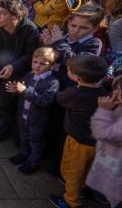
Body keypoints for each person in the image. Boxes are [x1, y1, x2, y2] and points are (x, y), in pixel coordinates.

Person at [49, 55, 108, 208]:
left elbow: (59, 98)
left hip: (78, 141)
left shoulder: (75, 93)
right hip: (97, 143)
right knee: (86, 168)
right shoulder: (103, 92)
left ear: (77, 77)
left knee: (71, 171)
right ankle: (83, 187)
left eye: (69, 70)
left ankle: (71, 201)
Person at [0, 0, 39, 147]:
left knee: (22, 107)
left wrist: (13, 66)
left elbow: (31, 55)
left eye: (3, 13)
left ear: (15, 15)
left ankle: (21, 137)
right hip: (4, 74)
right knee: (1, 104)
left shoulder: (30, 29)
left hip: (25, 74)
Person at [6, 47, 59, 174]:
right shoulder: (29, 75)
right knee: (23, 136)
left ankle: (33, 162)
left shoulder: (52, 82)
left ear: (51, 65)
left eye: (42, 64)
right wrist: (17, 91)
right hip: (23, 115)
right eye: (35, 62)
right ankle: (24, 154)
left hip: (37, 120)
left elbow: (46, 101)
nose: (37, 66)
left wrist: (25, 91)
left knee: (35, 142)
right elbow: (24, 93)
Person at [86, 75, 122, 208]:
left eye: (120, 90)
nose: (115, 92)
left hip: (116, 172)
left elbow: (102, 133)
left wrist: (104, 110)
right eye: (116, 88)